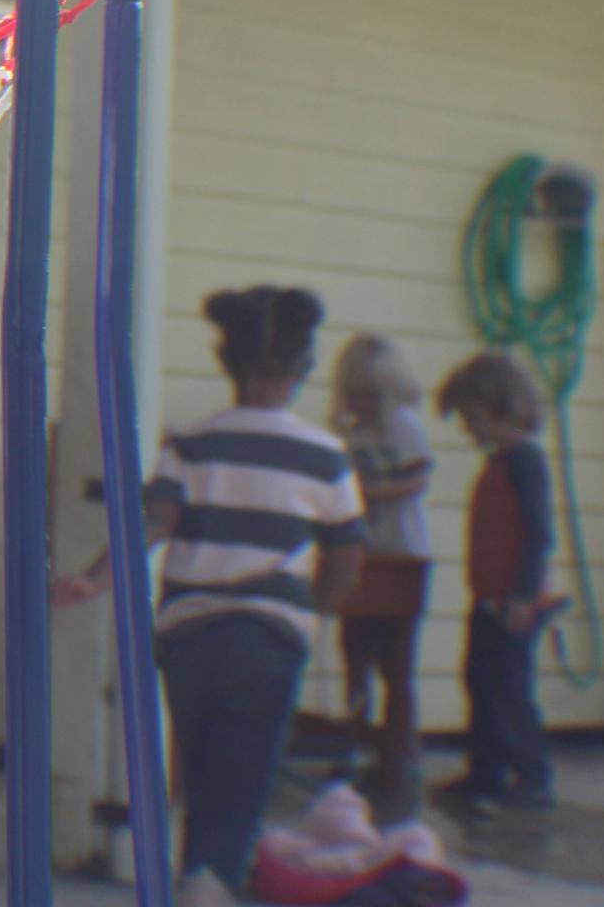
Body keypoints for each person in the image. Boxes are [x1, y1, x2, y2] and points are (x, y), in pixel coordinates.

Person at [54, 286, 365, 907]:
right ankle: (210, 879)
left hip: (189, 634)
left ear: (226, 364)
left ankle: (198, 867)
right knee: (244, 772)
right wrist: (313, 614)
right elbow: (347, 557)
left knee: (198, 762)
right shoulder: (326, 458)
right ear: (304, 371)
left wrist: (92, 580)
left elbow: (151, 525)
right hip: (269, 635)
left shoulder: (191, 444)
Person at [431, 351, 558, 815]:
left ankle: (533, 776)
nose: (468, 429)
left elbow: (538, 532)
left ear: (501, 408)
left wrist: (524, 595)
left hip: (513, 599)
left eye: (472, 418)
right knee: (479, 681)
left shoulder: (525, 462)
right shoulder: (499, 462)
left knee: (509, 689)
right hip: (487, 597)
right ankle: (485, 769)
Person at [326, 335, 434, 822]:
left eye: (372, 395)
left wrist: (374, 491)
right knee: (356, 657)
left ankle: (399, 758)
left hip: (402, 557)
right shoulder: (349, 436)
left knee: (397, 666)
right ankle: (354, 747)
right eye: (356, 394)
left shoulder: (404, 429)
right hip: (364, 559)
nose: (364, 405)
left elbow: (418, 479)